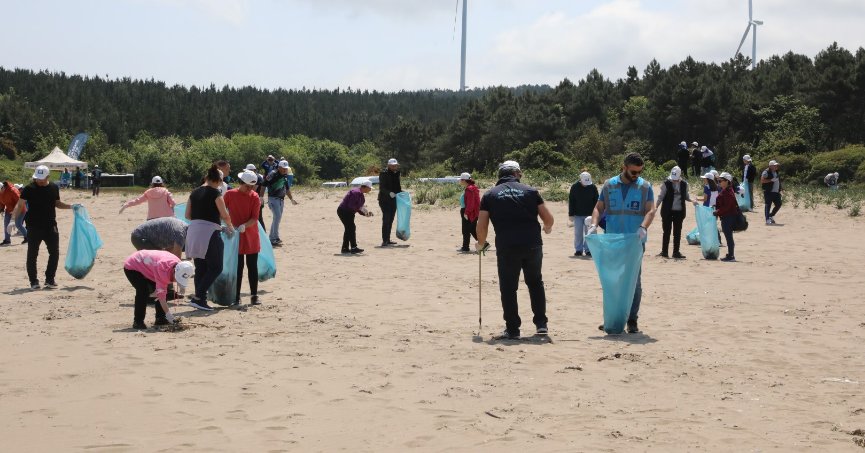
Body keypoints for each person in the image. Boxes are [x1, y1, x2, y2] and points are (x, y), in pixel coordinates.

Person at [475, 160, 554, 339]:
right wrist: (547, 228)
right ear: (517, 173)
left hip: (507, 246)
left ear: (499, 175)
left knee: (508, 288)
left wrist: (481, 243)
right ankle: (541, 325)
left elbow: (482, 225)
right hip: (533, 244)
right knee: (535, 283)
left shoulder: (490, 195)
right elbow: (548, 218)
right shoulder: (531, 191)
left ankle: (513, 329)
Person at [588, 153, 655, 334]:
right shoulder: (609, 185)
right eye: (633, 172)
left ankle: (632, 320)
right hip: (613, 241)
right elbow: (598, 207)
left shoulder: (645, 187)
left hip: (635, 241)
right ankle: (614, 318)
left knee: (634, 282)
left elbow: (651, 210)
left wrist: (643, 227)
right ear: (623, 167)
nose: (636, 176)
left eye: (639, 172)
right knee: (613, 281)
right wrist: (594, 225)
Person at [8, 165, 80, 290]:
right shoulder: (29, 188)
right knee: (32, 255)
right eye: (37, 179)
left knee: (54, 253)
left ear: (48, 177)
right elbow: (19, 205)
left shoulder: (53, 187)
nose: (39, 181)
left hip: (50, 226)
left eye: (41, 179)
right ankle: (34, 281)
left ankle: (50, 279)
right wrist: (13, 220)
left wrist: (71, 206)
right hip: (33, 226)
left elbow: (57, 203)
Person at [184, 165, 235, 311]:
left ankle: (199, 299)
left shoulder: (194, 192)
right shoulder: (215, 193)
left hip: (193, 231)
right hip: (210, 233)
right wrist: (230, 226)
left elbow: (188, 215)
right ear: (219, 181)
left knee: (201, 266)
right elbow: (225, 215)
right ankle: (199, 297)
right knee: (216, 267)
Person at [124, 250, 193, 329]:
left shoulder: (181, 266)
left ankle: (160, 319)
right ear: (174, 271)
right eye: (177, 278)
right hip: (133, 265)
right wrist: (168, 315)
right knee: (143, 292)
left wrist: (182, 287)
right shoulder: (163, 271)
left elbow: (181, 277)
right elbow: (161, 297)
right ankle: (138, 321)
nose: (176, 280)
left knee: (161, 290)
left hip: (150, 266)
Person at [224, 170, 262, 306]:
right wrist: (228, 225)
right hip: (234, 236)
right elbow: (222, 211)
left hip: (251, 235)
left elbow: (255, 218)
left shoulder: (255, 197)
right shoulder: (229, 194)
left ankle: (254, 295)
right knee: (237, 267)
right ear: (241, 183)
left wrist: (244, 226)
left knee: (252, 266)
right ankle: (236, 296)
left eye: (252, 187)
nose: (250, 189)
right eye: (247, 186)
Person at [655, 166, 692, 259]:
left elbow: (686, 196)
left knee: (677, 232)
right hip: (667, 211)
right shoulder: (666, 184)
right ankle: (664, 252)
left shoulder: (684, 184)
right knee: (666, 231)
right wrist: (656, 206)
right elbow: (661, 196)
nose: (674, 181)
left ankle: (676, 252)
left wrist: (692, 200)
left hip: (679, 212)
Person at [263, 160, 298, 246]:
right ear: (279, 167)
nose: (284, 170)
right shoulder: (273, 174)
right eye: (283, 168)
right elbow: (264, 184)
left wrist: (291, 199)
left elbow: (287, 189)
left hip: (281, 200)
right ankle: (272, 238)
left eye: (286, 169)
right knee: (277, 217)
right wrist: (261, 197)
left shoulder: (285, 176)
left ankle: (276, 237)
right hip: (273, 199)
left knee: (277, 218)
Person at [337, 179, 375, 254]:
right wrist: (361, 210)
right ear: (365, 187)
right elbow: (351, 205)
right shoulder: (356, 192)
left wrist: (365, 214)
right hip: (344, 211)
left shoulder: (360, 194)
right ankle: (353, 247)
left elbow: (358, 207)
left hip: (349, 213)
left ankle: (345, 248)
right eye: (370, 188)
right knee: (351, 228)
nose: (370, 190)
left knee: (349, 229)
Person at [568, 171, 598, 256]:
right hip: (577, 214)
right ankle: (578, 250)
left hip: (590, 215)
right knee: (578, 233)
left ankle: (588, 250)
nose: (586, 184)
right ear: (580, 179)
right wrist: (571, 214)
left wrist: (597, 214)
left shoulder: (593, 187)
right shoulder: (574, 187)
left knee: (589, 233)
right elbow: (572, 201)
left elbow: (597, 201)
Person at [714, 172, 739, 262]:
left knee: (729, 237)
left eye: (721, 180)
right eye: (718, 180)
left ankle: (731, 256)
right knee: (728, 236)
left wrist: (717, 212)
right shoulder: (726, 190)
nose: (719, 182)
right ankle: (730, 254)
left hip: (728, 217)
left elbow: (727, 206)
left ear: (727, 181)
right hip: (726, 216)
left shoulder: (728, 192)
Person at [378, 158, 402, 246]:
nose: (394, 167)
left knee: (391, 219)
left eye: (395, 165)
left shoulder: (397, 174)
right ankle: (384, 240)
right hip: (384, 200)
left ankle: (388, 239)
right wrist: (389, 193)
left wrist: (402, 193)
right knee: (386, 219)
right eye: (392, 165)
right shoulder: (383, 174)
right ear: (388, 165)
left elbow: (398, 187)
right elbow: (382, 188)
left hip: (394, 199)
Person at [458, 172, 480, 253]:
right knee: (471, 229)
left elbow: (471, 203)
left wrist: (466, 213)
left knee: (466, 230)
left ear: (464, 180)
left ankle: (465, 247)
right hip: (471, 211)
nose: (460, 181)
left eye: (461, 179)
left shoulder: (469, 189)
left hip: (469, 211)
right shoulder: (471, 187)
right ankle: (466, 246)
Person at [1, 181, 27, 245]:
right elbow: (1, 201)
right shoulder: (0, 192)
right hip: (9, 210)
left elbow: (19, 202)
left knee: (18, 224)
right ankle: (7, 240)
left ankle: (27, 237)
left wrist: (14, 213)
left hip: (20, 210)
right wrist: (1, 209)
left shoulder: (12, 190)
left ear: (3, 187)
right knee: (6, 224)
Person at [246, 163, 267, 231]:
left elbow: (253, 190)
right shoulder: (256, 176)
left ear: (254, 170)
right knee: (258, 218)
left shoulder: (257, 177)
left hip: (257, 200)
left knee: (258, 218)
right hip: (257, 200)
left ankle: (263, 234)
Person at [760, 160, 782, 225]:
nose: (776, 166)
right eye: (774, 165)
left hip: (776, 192)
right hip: (768, 191)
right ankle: (767, 220)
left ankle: (770, 215)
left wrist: (780, 188)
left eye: (776, 165)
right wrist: (771, 180)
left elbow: (778, 181)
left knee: (779, 204)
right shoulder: (766, 172)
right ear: (770, 166)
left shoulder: (776, 171)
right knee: (768, 205)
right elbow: (762, 180)